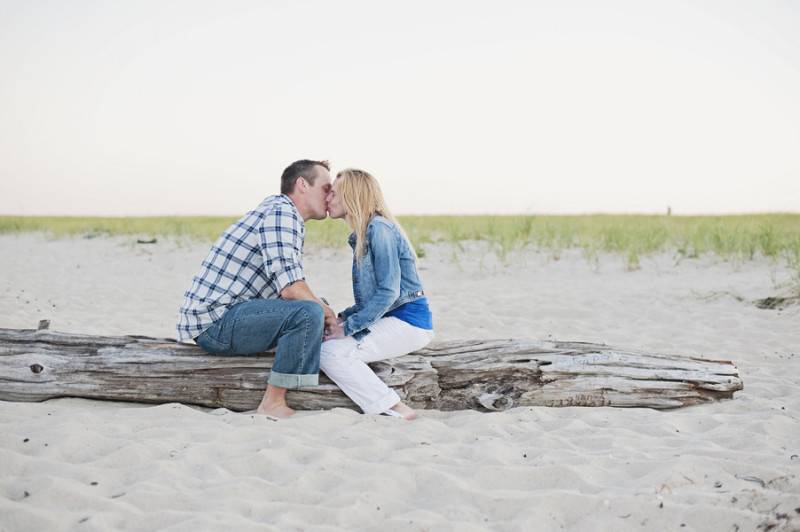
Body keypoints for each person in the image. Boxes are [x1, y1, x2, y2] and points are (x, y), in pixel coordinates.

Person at [176, 159, 337, 418]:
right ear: (302, 185)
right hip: (216, 323)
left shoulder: (283, 213)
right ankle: (272, 403)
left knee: (314, 309)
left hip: (230, 315)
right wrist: (326, 313)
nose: (331, 195)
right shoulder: (281, 212)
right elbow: (290, 288)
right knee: (309, 313)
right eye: (326, 187)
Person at [321, 168, 434, 420]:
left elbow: (388, 293)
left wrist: (347, 328)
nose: (328, 199)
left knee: (330, 353)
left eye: (334, 193)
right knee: (328, 345)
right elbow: (370, 300)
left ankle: (396, 409)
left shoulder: (379, 229)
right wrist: (341, 318)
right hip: (393, 320)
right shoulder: (364, 234)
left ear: (352, 196)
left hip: (409, 323)